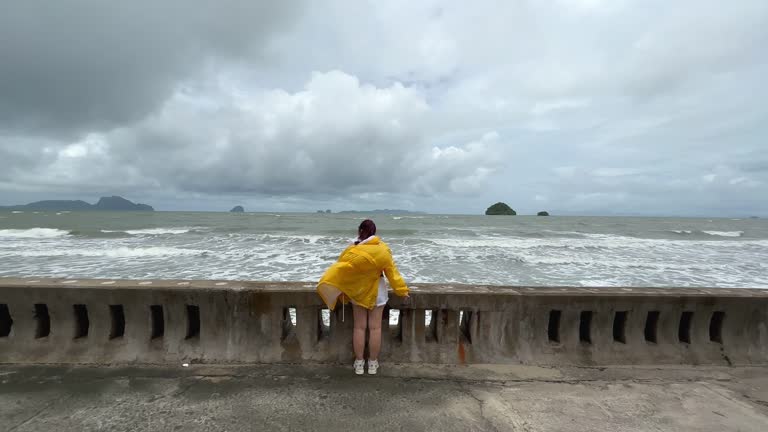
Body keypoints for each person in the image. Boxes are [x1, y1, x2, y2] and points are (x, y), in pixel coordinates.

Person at [317, 219, 409, 375]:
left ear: (360, 231)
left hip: (358, 291)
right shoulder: (383, 250)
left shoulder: (352, 250)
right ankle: (373, 364)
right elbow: (393, 274)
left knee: (359, 328)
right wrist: (401, 290)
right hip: (377, 293)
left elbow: (342, 270)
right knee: (375, 328)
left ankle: (359, 363)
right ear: (374, 232)